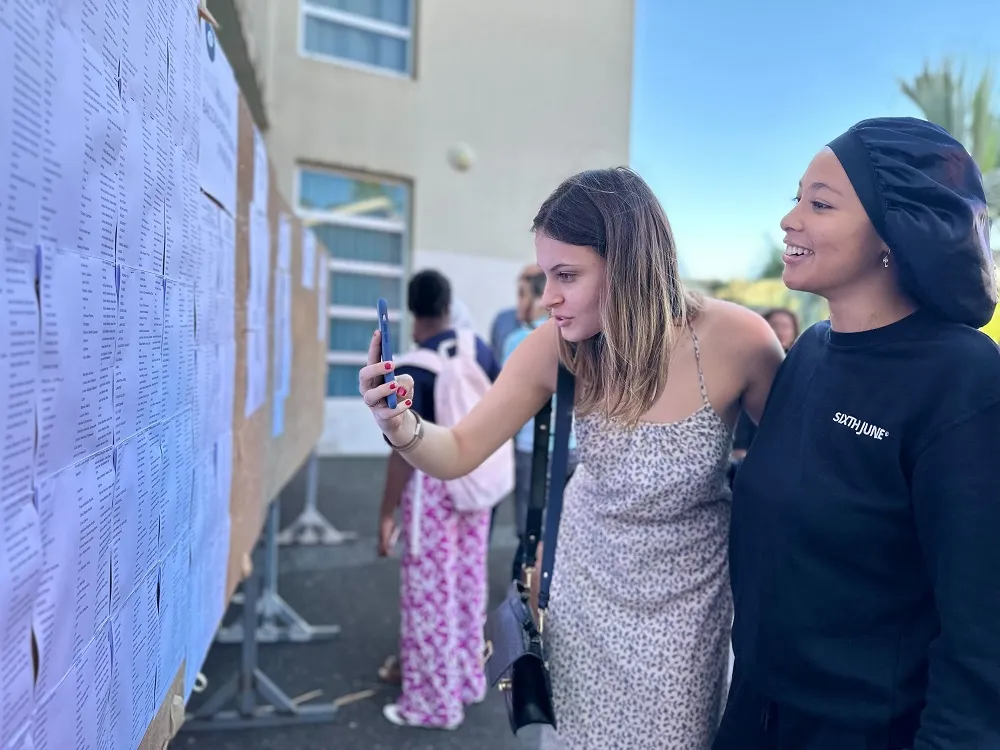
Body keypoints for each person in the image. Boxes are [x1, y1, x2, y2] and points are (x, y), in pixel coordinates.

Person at [359, 167, 785, 748]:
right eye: (544, 275)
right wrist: (399, 423)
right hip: (580, 602)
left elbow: (795, 477)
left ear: (630, 264)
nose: (547, 297)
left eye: (566, 275)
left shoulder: (741, 340)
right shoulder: (557, 345)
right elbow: (458, 450)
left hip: (688, 615)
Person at [716, 117, 1000, 749]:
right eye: (796, 198)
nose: (789, 220)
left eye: (819, 204)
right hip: (755, 710)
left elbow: (982, 634)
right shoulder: (809, 352)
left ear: (894, 231)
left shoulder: (964, 378)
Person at [374, 269, 501, 730]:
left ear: (413, 311)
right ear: (449, 305)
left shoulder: (413, 367)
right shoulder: (477, 349)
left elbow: (403, 453)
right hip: (476, 482)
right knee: (467, 587)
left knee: (430, 597)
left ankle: (432, 704)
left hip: (432, 493)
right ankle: (467, 679)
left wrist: (387, 512)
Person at [502, 264, 579, 583]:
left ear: (538, 297)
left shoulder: (517, 340)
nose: (517, 303)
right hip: (574, 447)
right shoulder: (576, 336)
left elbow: (505, 399)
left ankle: (528, 591)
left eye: (522, 294)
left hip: (531, 447)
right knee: (567, 531)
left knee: (530, 531)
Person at [731, 308, 800, 461]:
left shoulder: (800, 364)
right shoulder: (750, 361)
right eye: (774, 325)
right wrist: (740, 445)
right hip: (747, 443)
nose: (780, 331)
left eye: (785, 326)